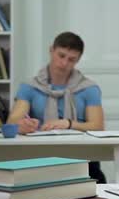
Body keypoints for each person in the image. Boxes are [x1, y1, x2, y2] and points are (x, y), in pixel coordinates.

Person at [6, 31, 107, 183]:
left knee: (96, 179)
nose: (64, 63)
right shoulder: (30, 86)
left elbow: (97, 126)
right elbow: (12, 121)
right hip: (38, 156)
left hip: (80, 157)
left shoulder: (88, 88)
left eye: (71, 59)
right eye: (61, 55)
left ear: (78, 60)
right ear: (51, 50)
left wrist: (69, 124)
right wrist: (23, 125)